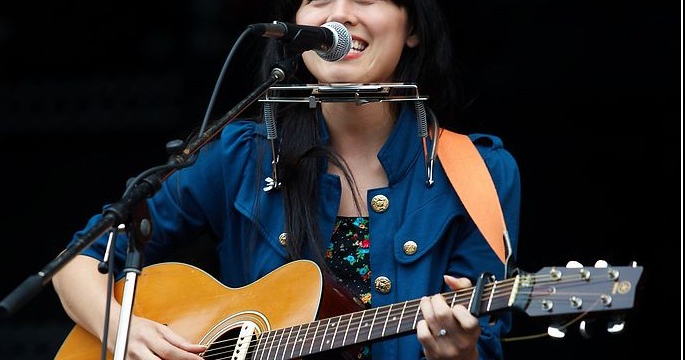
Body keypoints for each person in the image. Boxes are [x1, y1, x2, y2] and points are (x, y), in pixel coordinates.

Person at [52, 0, 521, 359]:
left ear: (413, 26)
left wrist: (459, 352)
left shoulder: (479, 171)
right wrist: (123, 331)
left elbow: (486, 341)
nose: (340, 14)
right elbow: (77, 263)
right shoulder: (241, 156)